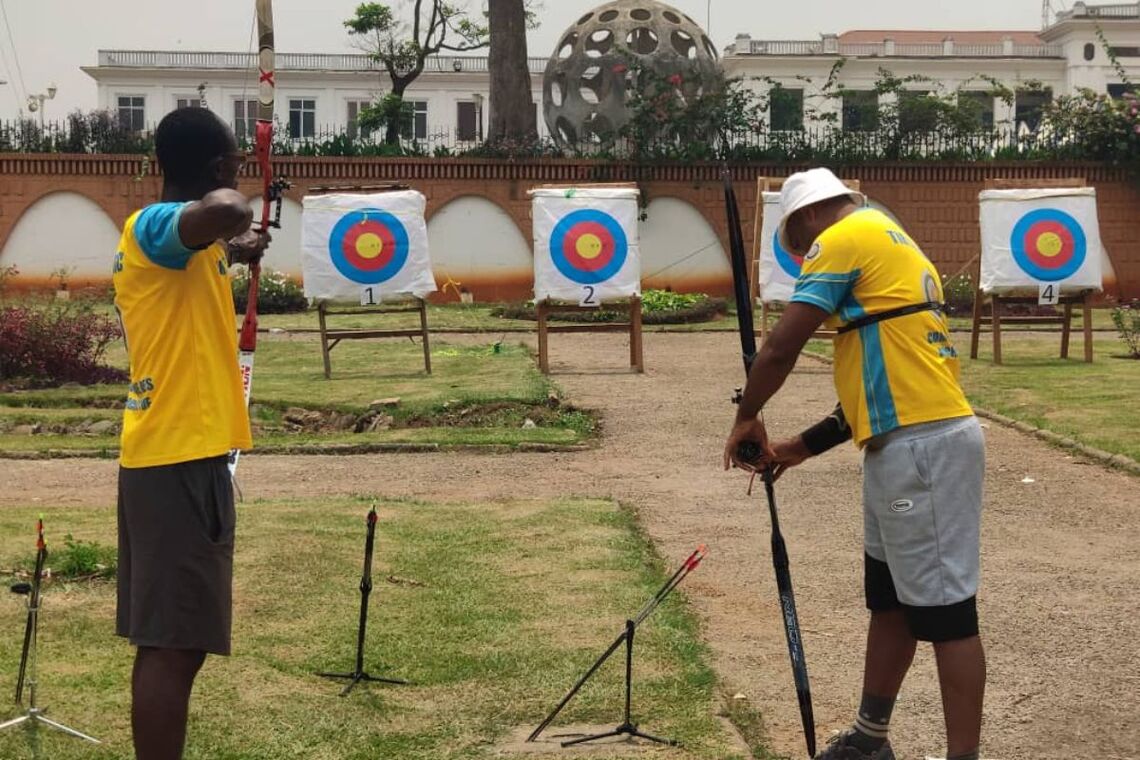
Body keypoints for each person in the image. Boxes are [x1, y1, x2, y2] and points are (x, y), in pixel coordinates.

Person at [724, 168, 985, 760]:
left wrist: (748, 414)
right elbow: (874, 389)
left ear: (809, 216)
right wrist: (797, 447)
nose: (803, 255)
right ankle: (870, 739)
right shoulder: (888, 237)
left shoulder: (842, 237)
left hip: (922, 447)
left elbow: (779, 347)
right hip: (908, 442)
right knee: (890, 599)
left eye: (797, 241)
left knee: (947, 615)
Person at [113, 106, 269, 760]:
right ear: (213, 170)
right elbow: (222, 211)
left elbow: (215, 232)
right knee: (172, 647)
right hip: (176, 458)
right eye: (232, 163)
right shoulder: (153, 227)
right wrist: (235, 205)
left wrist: (237, 246)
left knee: (180, 642)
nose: (235, 176)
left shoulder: (184, 248)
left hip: (178, 455)